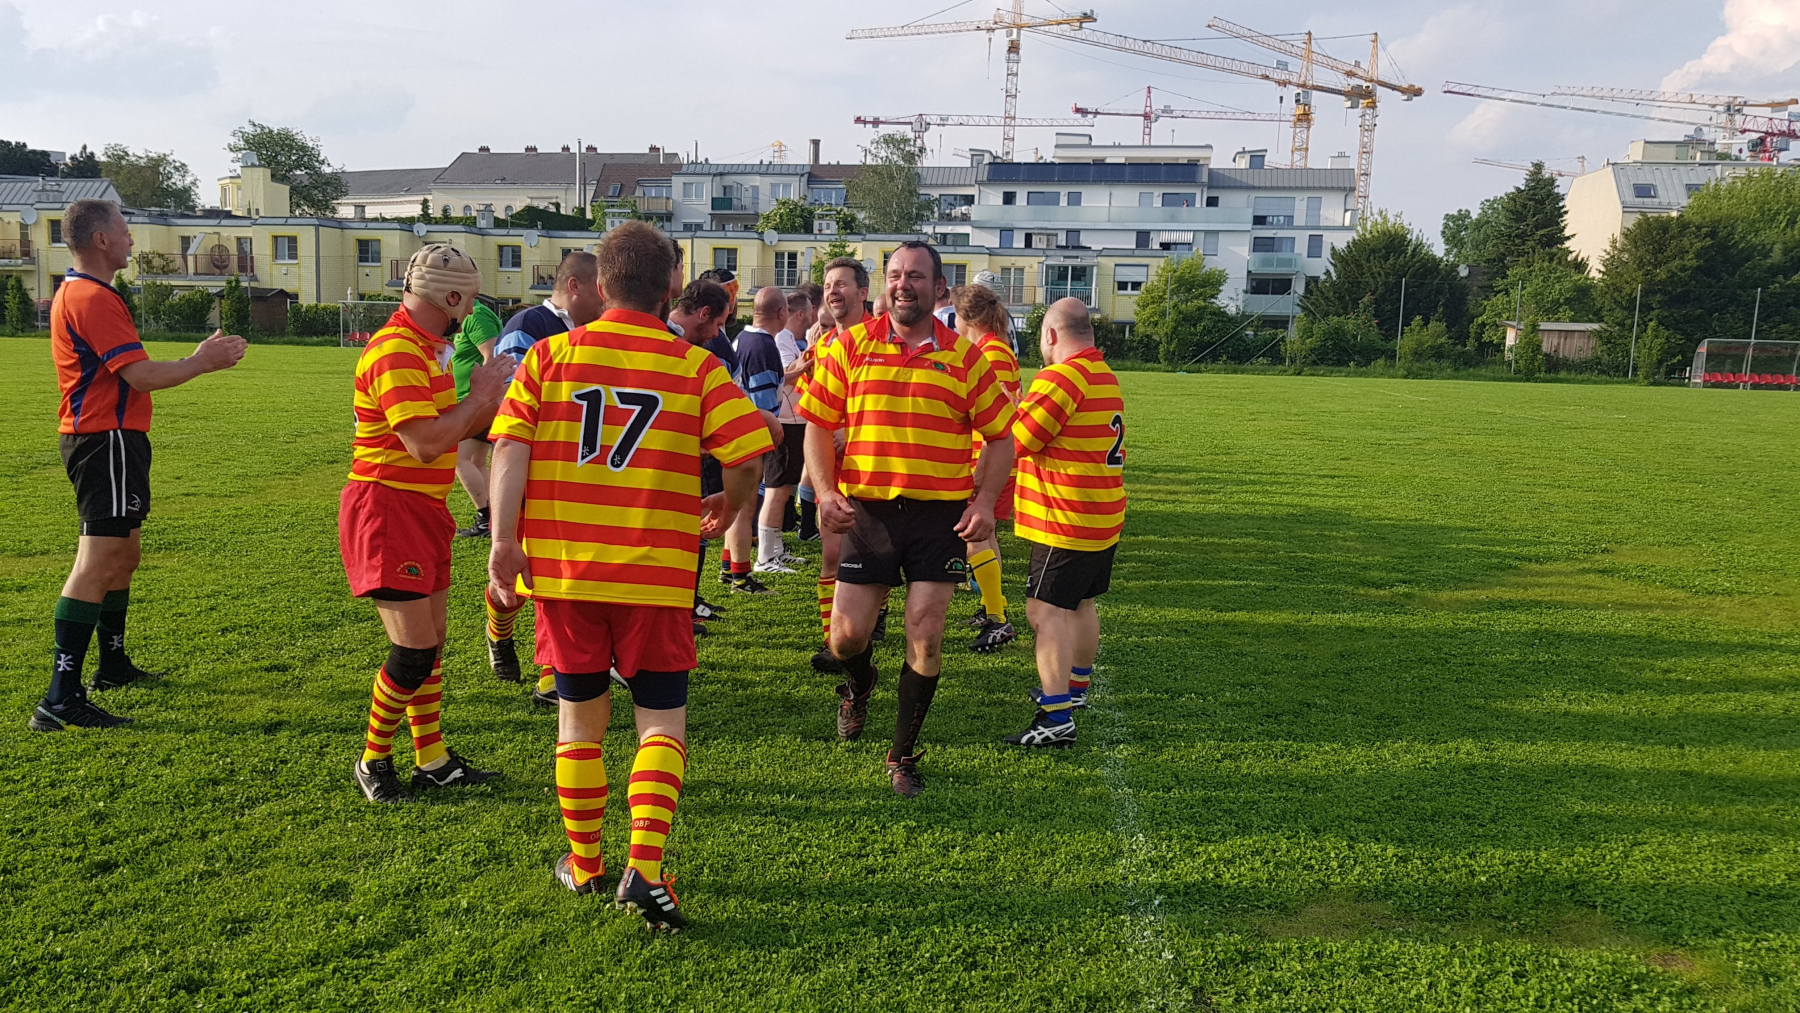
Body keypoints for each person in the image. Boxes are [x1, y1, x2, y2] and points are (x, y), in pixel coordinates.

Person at [486, 221, 773, 930]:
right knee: (661, 721)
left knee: (579, 722)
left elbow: (509, 449)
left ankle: (585, 864)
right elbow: (749, 451)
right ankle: (644, 867)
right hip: (656, 575)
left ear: (600, 283)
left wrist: (502, 539)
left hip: (568, 572)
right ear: (670, 288)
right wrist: (729, 502)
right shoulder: (695, 366)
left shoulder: (549, 356)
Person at [798, 242, 1013, 797]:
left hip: (938, 515)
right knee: (846, 639)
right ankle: (860, 683)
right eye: (895, 274)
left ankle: (903, 755)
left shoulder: (965, 358)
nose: (903, 284)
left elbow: (1001, 436)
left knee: (926, 632)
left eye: (915, 276)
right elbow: (818, 425)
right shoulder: (851, 346)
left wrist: (984, 502)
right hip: (868, 513)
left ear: (938, 288)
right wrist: (825, 492)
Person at [31, 199, 248, 732]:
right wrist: (203, 363)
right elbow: (141, 376)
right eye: (125, 231)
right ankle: (60, 696)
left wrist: (195, 359)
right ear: (101, 240)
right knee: (98, 561)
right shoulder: (91, 297)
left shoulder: (86, 292)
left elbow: (132, 371)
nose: (132, 240)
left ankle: (112, 665)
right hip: (103, 440)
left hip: (115, 440)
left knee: (124, 556)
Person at [341, 244, 514, 803]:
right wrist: (480, 395)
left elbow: (449, 429)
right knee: (413, 650)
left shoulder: (429, 347)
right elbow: (424, 444)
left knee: (432, 645)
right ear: (453, 296)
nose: (474, 309)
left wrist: (490, 402)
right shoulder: (397, 350)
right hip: (387, 508)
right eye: (471, 298)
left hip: (421, 507)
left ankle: (432, 760)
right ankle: (373, 759)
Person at [1004, 299, 1125, 748]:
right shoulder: (1102, 373)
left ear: (1050, 335)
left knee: (1044, 613)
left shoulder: (1061, 377)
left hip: (1065, 518)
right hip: (1102, 512)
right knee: (1081, 604)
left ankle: (1056, 716)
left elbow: (1017, 442)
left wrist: (1009, 414)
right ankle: (1075, 689)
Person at [483, 252, 604, 696]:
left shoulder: (593, 333)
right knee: (518, 575)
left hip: (574, 472)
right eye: (599, 289)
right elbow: (509, 405)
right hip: (529, 468)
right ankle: (499, 630)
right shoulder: (528, 326)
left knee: (560, 568)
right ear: (575, 286)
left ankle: (552, 673)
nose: (605, 299)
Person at [799, 257, 867, 675]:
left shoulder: (880, 342)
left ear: (863, 293)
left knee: (875, 561)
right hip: (833, 470)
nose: (832, 291)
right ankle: (833, 643)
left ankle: (868, 621)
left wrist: (851, 431)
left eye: (841, 283)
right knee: (831, 554)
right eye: (827, 285)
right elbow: (812, 414)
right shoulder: (821, 348)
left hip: (875, 469)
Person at [953, 284, 1023, 653]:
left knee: (973, 536)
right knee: (985, 535)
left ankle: (998, 619)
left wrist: (980, 469)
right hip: (991, 458)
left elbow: (999, 418)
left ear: (965, 318)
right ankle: (993, 610)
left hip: (988, 460)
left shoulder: (990, 353)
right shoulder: (994, 348)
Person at [668, 278, 736, 627]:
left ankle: (686, 603)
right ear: (704, 313)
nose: (716, 334)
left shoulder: (684, 347)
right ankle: (679, 607)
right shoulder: (672, 348)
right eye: (718, 324)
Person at [724, 287, 789, 589]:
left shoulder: (743, 337)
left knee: (738, 504)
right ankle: (740, 574)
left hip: (736, 429)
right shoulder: (764, 346)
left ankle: (728, 565)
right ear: (782, 313)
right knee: (745, 505)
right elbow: (763, 402)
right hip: (750, 434)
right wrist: (769, 433)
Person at [752, 289, 815, 571]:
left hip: (793, 421)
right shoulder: (778, 339)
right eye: (811, 311)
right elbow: (786, 375)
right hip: (784, 422)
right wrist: (809, 355)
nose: (813, 317)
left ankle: (775, 549)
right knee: (776, 490)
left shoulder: (784, 338)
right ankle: (765, 556)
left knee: (784, 487)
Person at [451, 296, 504, 538]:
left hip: (478, 402)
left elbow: (491, 357)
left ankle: (486, 518)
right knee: (474, 460)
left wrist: (484, 398)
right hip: (472, 400)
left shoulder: (477, 316)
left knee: (458, 458)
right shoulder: (465, 318)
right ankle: (491, 518)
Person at [494, 251, 605, 363]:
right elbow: (514, 375)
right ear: (574, 286)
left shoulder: (593, 329)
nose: (606, 295)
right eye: (601, 287)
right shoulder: (526, 326)